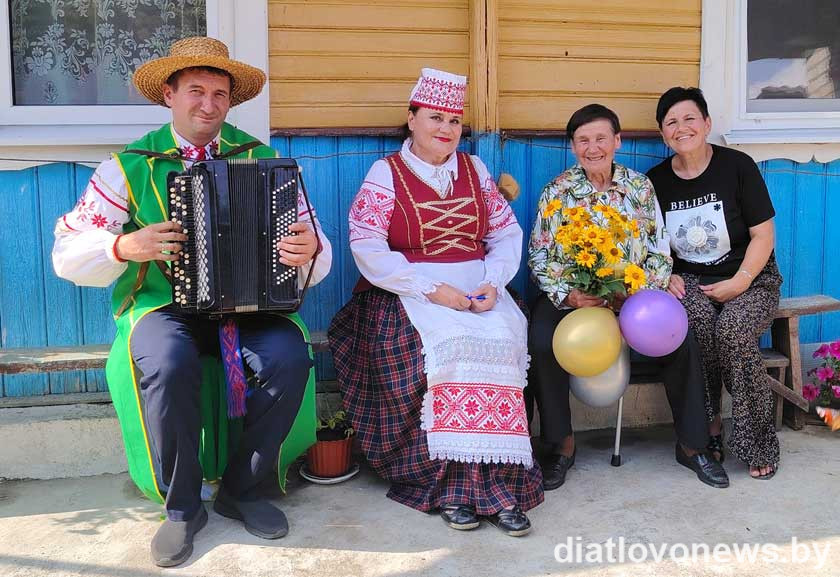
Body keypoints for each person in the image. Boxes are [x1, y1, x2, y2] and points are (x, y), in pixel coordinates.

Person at [52, 37, 332, 567]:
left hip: (250, 306)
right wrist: (123, 245)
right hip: (164, 307)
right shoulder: (128, 167)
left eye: (220, 94)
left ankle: (242, 490)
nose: (209, 104)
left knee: (289, 356)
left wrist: (307, 249)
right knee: (169, 361)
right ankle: (182, 509)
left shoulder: (261, 158)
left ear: (230, 102)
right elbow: (66, 251)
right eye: (196, 91)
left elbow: (313, 240)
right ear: (169, 94)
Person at [328, 68, 543, 537]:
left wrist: (494, 281)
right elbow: (366, 244)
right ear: (412, 119)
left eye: (453, 120)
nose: (445, 129)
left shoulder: (475, 169)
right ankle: (449, 486)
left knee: (506, 336)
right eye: (434, 118)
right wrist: (428, 288)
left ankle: (500, 481)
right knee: (447, 346)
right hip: (410, 284)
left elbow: (505, 232)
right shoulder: (386, 173)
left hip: (476, 280)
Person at [527, 104, 729, 491]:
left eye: (601, 138)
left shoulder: (639, 188)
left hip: (633, 297)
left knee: (677, 336)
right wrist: (568, 295)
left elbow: (659, 249)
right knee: (540, 338)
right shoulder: (558, 192)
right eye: (583, 141)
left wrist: (636, 290)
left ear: (617, 141)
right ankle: (560, 445)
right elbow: (539, 253)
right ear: (573, 147)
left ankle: (692, 445)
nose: (593, 148)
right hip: (577, 298)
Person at [647, 87, 782, 480]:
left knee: (734, 330)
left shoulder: (737, 166)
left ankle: (758, 441)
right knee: (697, 326)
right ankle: (709, 428)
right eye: (671, 122)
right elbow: (651, 242)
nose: (681, 127)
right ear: (663, 134)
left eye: (690, 118)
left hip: (753, 278)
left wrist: (741, 281)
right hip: (690, 281)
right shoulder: (656, 182)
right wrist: (666, 272)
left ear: (707, 124)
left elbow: (763, 235)